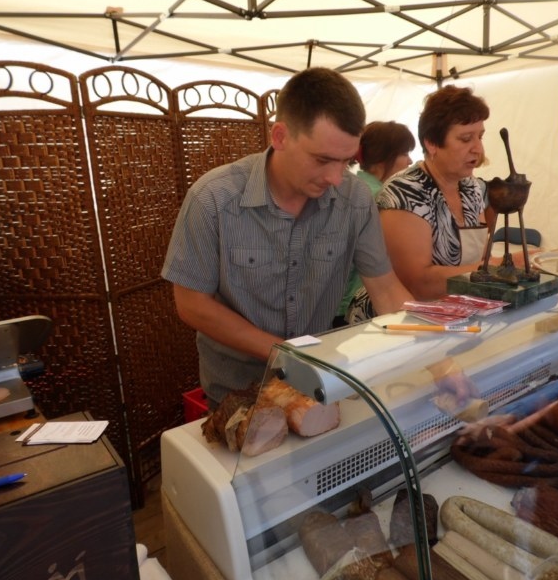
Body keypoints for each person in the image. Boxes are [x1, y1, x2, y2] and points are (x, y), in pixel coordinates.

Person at [162, 67, 413, 407]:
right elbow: (192, 304)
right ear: (280, 136)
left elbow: (385, 289)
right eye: (323, 160)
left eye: (346, 162)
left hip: (318, 384)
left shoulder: (354, 199)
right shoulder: (213, 199)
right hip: (237, 390)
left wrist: (436, 360)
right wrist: (286, 355)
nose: (335, 178)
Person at [348, 85, 492, 322]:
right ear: (432, 143)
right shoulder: (405, 193)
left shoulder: (471, 188)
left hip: (455, 314)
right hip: (396, 321)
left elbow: (476, 258)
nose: (478, 148)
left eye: (480, 136)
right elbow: (419, 284)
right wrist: (492, 270)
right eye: (466, 138)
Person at [333, 121, 415, 327]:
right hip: (359, 306)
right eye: (404, 153)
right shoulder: (378, 197)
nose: (410, 161)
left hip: (339, 304)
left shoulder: (355, 190)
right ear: (383, 157)